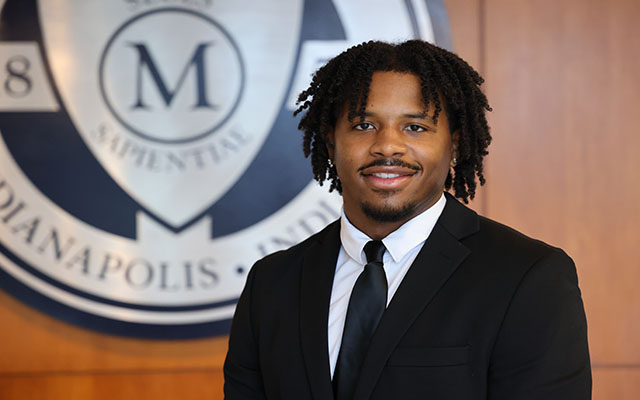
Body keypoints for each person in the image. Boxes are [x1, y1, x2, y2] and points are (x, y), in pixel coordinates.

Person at [223, 40, 591, 400]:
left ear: (455, 145)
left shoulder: (528, 278)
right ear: (332, 144)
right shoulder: (271, 285)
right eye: (364, 125)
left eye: (415, 127)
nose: (387, 146)